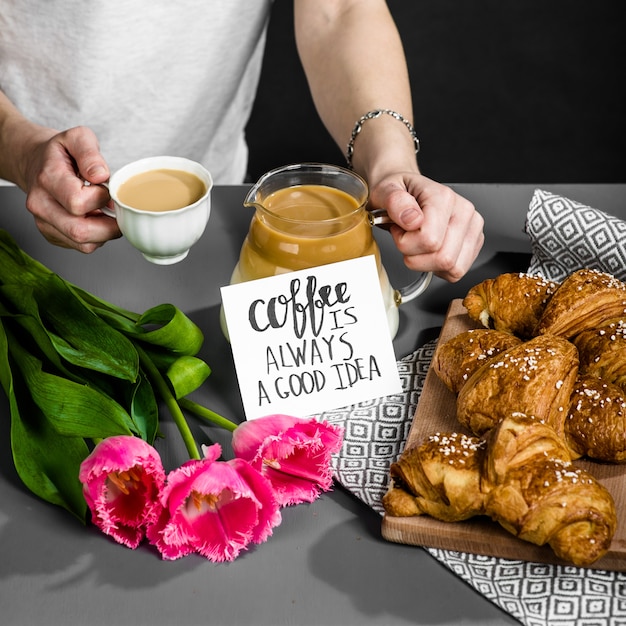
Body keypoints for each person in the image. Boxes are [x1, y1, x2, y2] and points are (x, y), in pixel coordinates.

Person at [0, 0, 483, 282]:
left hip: (213, 219)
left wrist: (391, 163)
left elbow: (339, 11)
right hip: (15, 206)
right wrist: (19, 149)